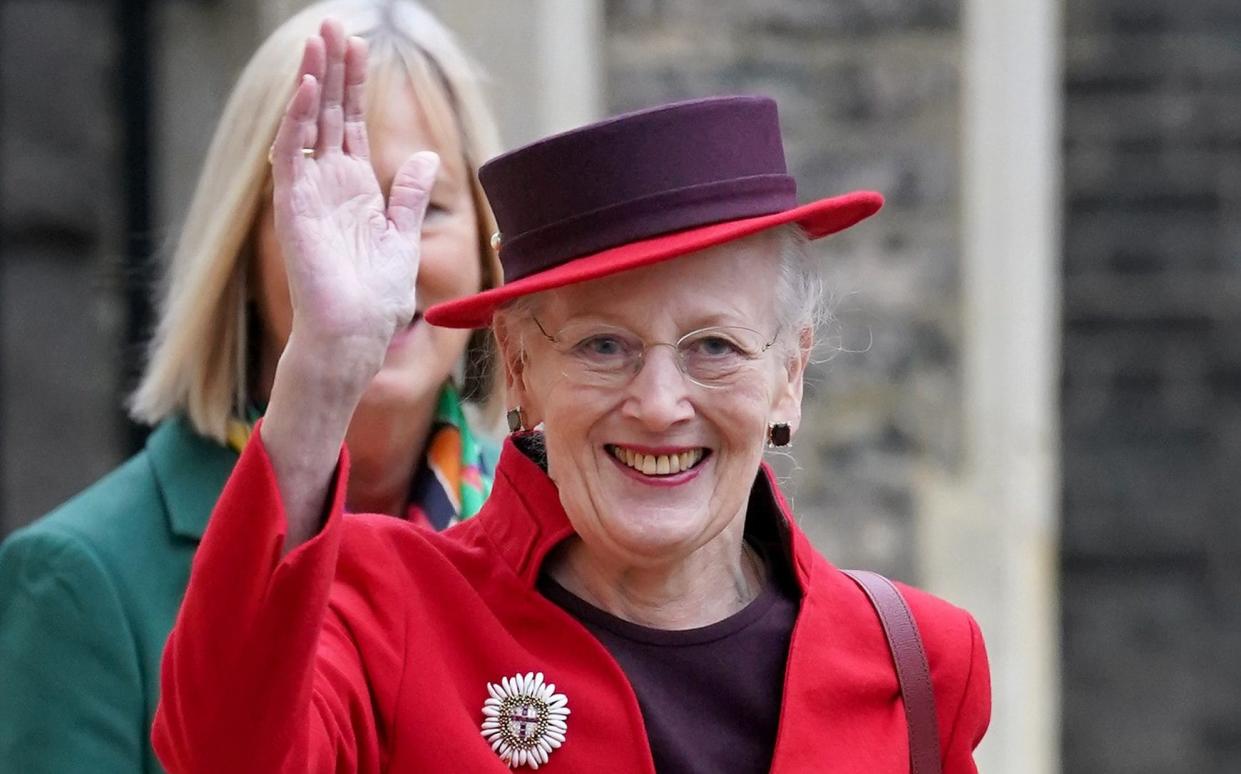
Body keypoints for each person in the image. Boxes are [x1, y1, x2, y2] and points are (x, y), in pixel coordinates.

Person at [152, 20, 991, 774]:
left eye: (714, 348)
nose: (659, 403)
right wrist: (326, 370)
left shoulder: (914, 660)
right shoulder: (394, 603)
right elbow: (223, 756)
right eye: (602, 346)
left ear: (789, 376)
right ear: (519, 371)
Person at [0, 4, 504, 771]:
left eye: (423, 207)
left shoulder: (557, 529)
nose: (383, 256)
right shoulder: (80, 578)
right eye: (341, 209)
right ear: (241, 252)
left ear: (485, 249)